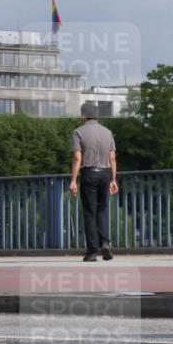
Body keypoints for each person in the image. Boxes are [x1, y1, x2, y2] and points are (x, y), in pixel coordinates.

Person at [69, 102, 117, 262]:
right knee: (102, 209)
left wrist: (73, 180)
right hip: (104, 174)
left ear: (83, 116)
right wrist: (113, 179)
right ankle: (105, 242)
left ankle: (91, 252)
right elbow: (112, 158)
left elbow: (77, 158)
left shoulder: (78, 132)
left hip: (89, 174)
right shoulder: (108, 132)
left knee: (90, 212)